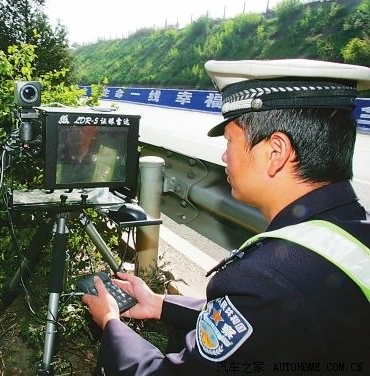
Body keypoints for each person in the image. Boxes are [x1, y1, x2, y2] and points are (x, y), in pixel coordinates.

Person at [82, 59, 370, 375]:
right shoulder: (352, 234)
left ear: (276, 152)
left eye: (231, 141)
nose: (224, 156)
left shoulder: (269, 278)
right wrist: (160, 304)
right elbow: (262, 325)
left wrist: (111, 323)